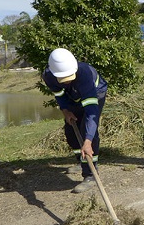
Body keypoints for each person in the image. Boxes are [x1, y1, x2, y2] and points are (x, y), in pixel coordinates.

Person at [42, 48, 108, 194]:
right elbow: (59, 94)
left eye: (70, 76)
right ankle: (82, 161)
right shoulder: (48, 76)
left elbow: (92, 113)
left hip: (95, 93)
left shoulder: (84, 74)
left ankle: (90, 174)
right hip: (73, 97)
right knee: (71, 131)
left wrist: (88, 141)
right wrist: (65, 110)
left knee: (87, 130)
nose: (67, 80)